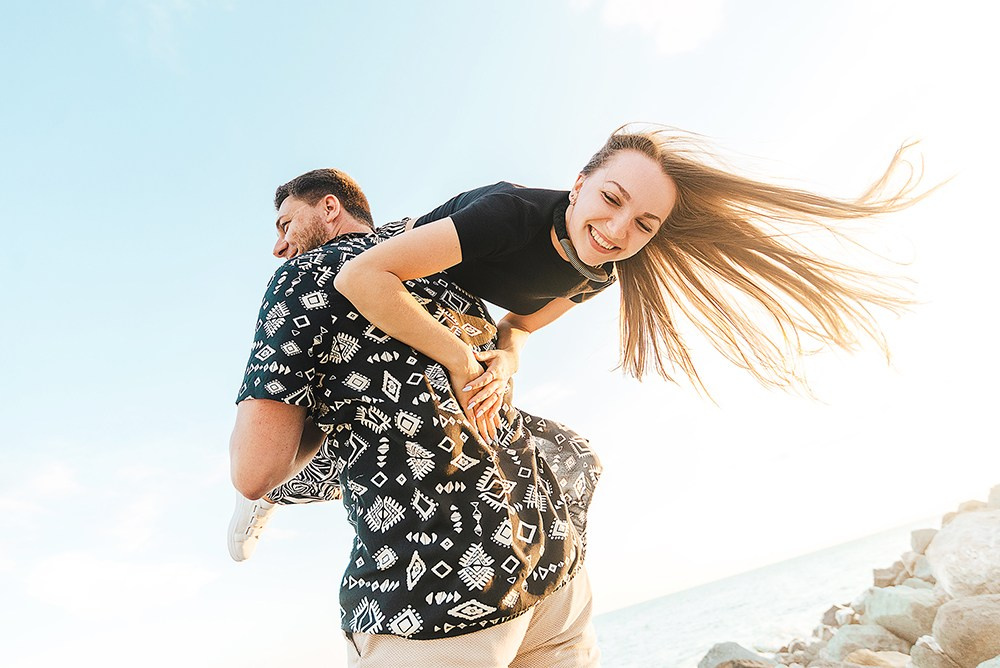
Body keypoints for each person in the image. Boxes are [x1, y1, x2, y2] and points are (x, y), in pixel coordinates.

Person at [233, 125, 928, 562]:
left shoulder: (604, 267)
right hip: (407, 274)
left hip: (447, 310)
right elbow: (364, 273)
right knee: (385, 391)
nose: (621, 228)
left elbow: (520, 327)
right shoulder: (508, 214)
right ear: (580, 184)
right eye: (612, 199)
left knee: (526, 441)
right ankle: (264, 492)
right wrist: (459, 355)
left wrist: (501, 361)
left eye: (644, 222)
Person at [230, 170, 601, 666]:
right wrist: (507, 352)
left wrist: (314, 412)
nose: (280, 245)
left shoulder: (305, 275)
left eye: (285, 224)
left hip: (434, 598)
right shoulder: (441, 257)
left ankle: (286, 488)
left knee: (284, 465)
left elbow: (254, 469)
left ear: (329, 207)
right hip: (551, 567)